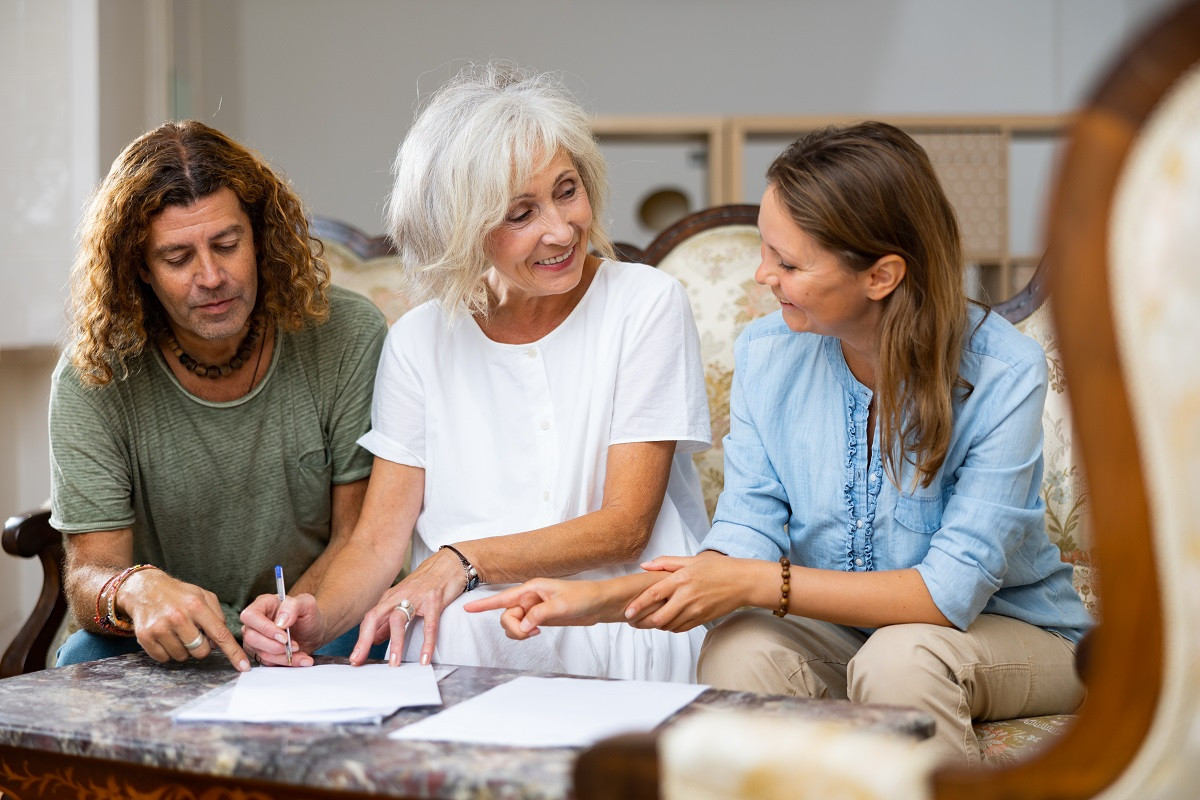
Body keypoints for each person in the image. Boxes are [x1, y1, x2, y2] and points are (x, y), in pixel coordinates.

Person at [467, 122, 1094, 765]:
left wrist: (760, 584)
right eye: (766, 250)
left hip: (1014, 635)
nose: (762, 275)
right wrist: (595, 599)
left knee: (903, 659)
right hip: (847, 636)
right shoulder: (767, 355)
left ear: (881, 275)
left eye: (788, 262)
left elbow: (945, 595)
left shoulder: (1002, 371)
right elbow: (741, 540)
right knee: (740, 649)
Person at [239, 63, 711, 682]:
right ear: (458, 230)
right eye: (520, 213)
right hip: (462, 637)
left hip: (618, 621)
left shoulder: (646, 303)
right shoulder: (419, 339)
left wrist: (460, 561)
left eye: (567, 190)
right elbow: (378, 542)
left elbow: (625, 527)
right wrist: (314, 619)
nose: (560, 228)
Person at [51, 120, 387, 671]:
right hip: (173, 636)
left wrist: (294, 617)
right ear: (140, 269)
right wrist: (136, 590)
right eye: (178, 259)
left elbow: (358, 536)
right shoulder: (94, 376)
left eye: (227, 245)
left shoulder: (347, 335)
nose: (211, 277)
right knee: (84, 658)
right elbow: (91, 570)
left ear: (261, 237)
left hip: (318, 617)